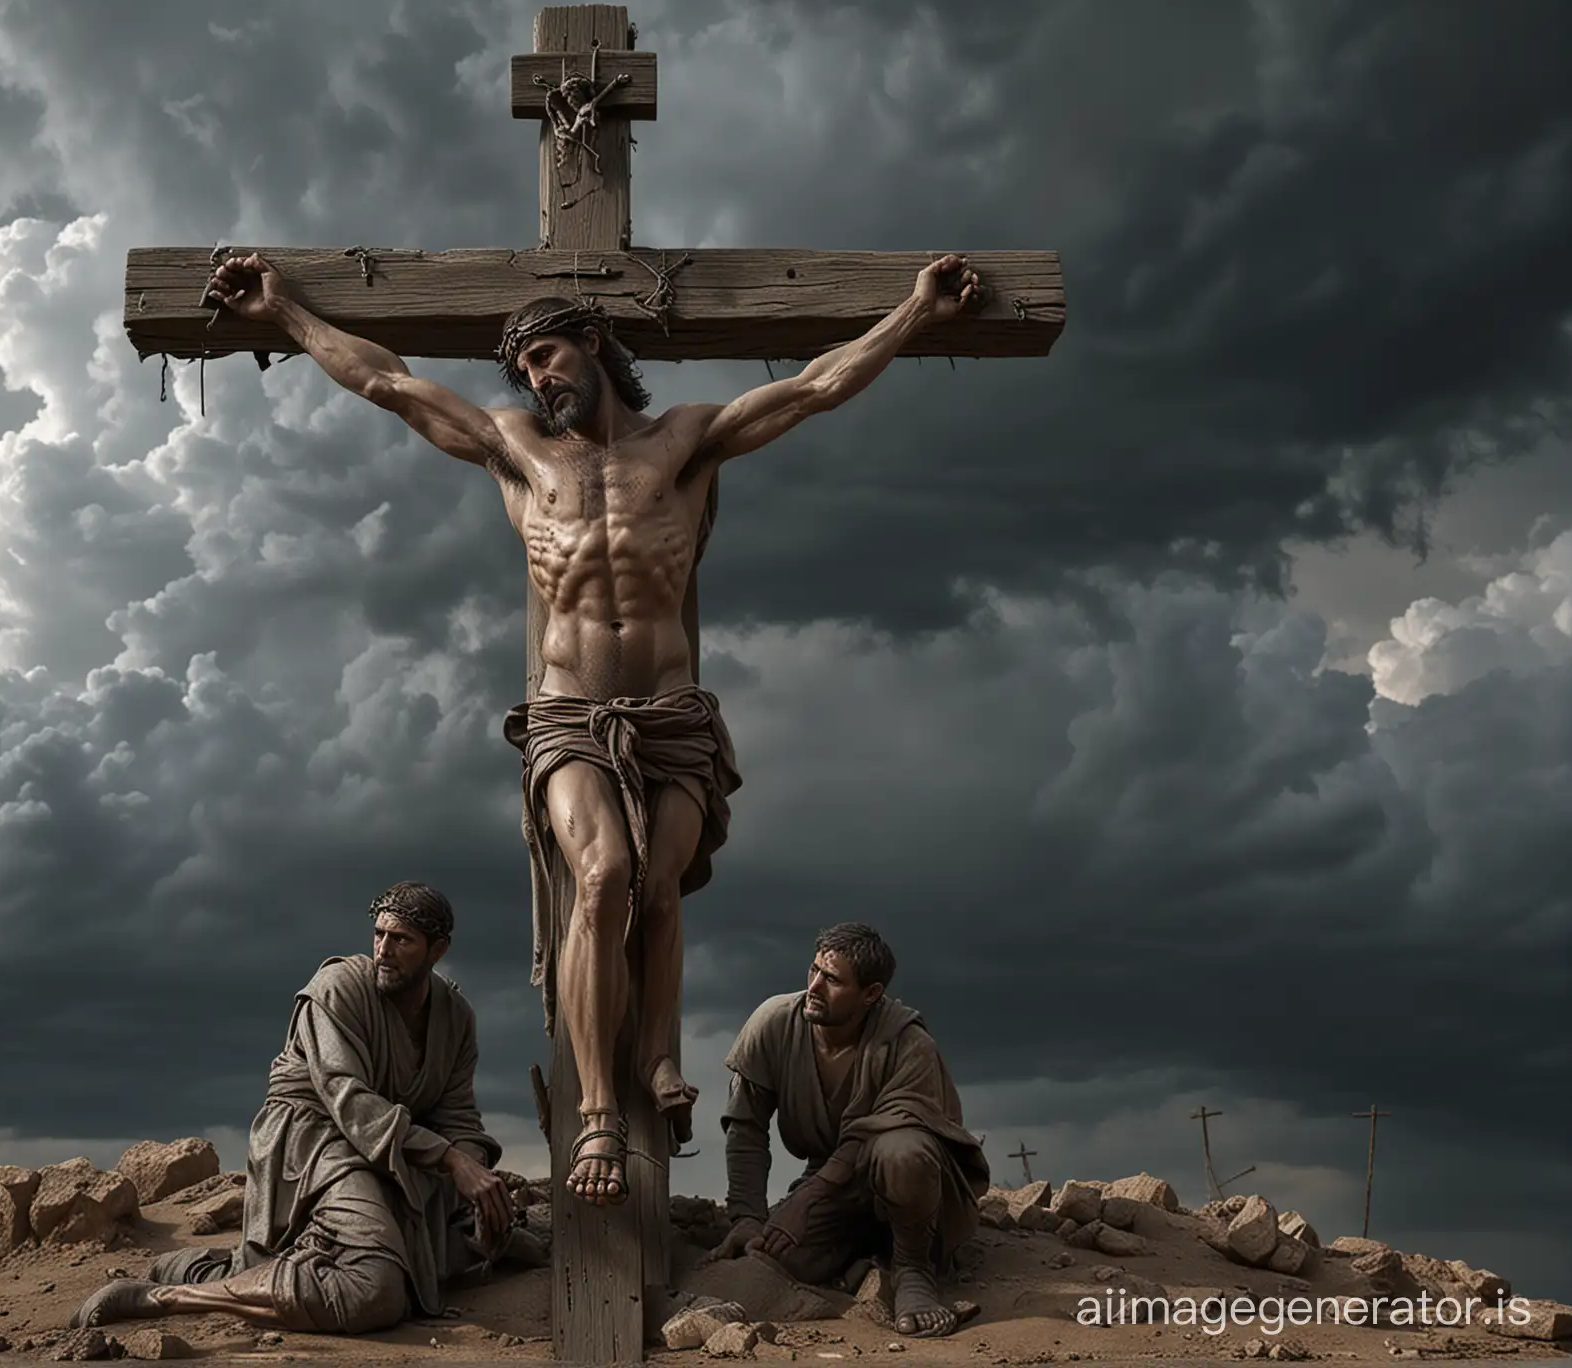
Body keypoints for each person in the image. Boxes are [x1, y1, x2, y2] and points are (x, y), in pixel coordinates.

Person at [203, 249, 985, 1207]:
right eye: (523, 366)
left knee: (658, 889)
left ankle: (659, 1058)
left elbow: (816, 386)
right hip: (570, 711)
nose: (535, 376)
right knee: (603, 874)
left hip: (671, 713)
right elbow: (388, 381)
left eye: (545, 353)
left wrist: (916, 314)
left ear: (593, 342)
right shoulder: (515, 448)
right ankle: (602, 1113)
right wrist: (283, 313)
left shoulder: (686, 441)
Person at [67, 882, 518, 1335]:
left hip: (392, 1149)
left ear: (437, 949)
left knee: (483, 1245)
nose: (384, 950)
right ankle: (161, 1298)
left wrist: (475, 1178)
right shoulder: (337, 987)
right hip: (314, 1141)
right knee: (373, 1291)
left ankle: (198, 1270)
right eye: (379, 935)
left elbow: (458, 1115)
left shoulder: (457, 1017)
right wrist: (449, 1158)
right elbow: (347, 1097)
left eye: (401, 940)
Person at [709, 923, 991, 1339]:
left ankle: (913, 1270)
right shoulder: (774, 1023)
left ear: (871, 994)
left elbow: (878, 1139)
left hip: (908, 1182)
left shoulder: (907, 1043)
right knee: (775, 1259)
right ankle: (865, 1261)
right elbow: (746, 1126)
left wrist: (805, 1198)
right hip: (837, 1190)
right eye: (814, 971)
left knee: (901, 1151)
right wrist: (748, 1216)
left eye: (833, 980)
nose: (815, 987)